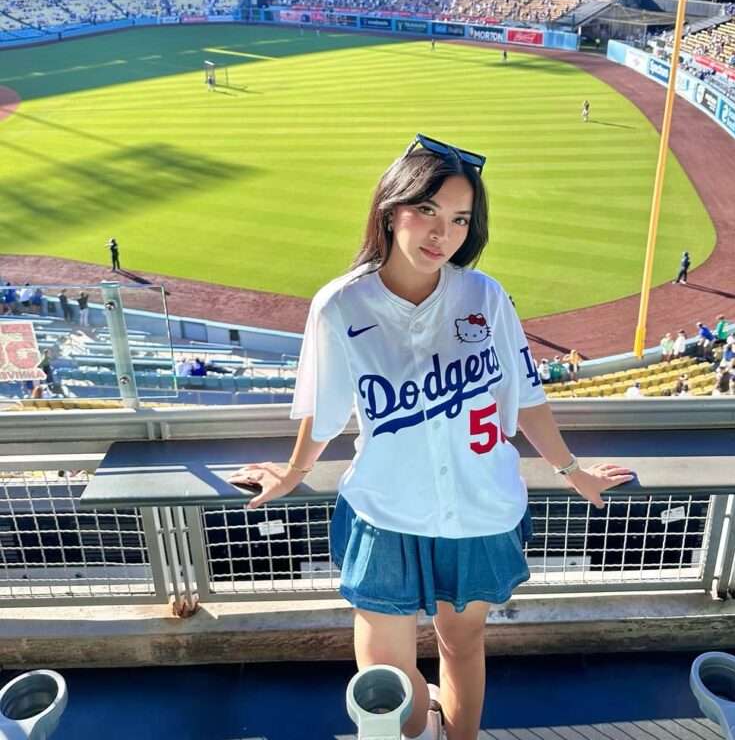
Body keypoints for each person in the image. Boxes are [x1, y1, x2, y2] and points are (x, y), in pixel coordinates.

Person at [228, 134, 633, 740]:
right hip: (386, 509)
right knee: (385, 671)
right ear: (391, 210)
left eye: (459, 219)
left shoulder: (484, 296)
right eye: (427, 211)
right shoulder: (340, 304)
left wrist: (573, 470)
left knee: (463, 643)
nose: (441, 233)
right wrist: (292, 472)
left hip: (479, 508)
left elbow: (526, 400)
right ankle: (421, 729)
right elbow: (325, 409)